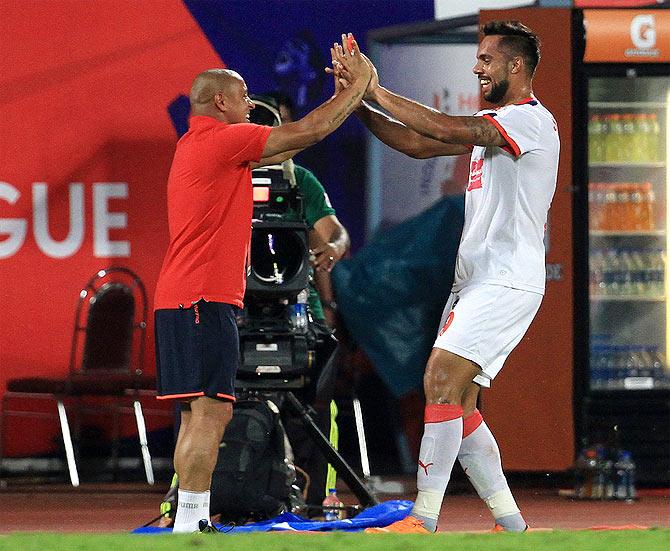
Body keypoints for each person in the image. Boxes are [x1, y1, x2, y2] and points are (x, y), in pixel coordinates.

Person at [331, 22, 559, 533]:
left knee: (437, 378)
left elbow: (447, 130)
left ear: (516, 66)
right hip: (479, 280)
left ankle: (424, 518)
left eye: (486, 59)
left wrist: (375, 88)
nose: (477, 68)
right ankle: (511, 523)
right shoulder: (495, 123)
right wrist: (354, 102)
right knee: (460, 399)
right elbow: (415, 144)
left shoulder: (529, 121)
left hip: (505, 279)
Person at [154, 38, 371, 534]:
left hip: (183, 299)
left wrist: (342, 99)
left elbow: (292, 144)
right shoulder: (221, 141)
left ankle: (189, 521)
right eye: (245, 94)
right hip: (202, 300)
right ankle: (190, 526)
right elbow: (309, 130)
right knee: (210, 415)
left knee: (196, 416)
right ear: (221, 102)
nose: (252, 102)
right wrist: (355, 89)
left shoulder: (199, 145)